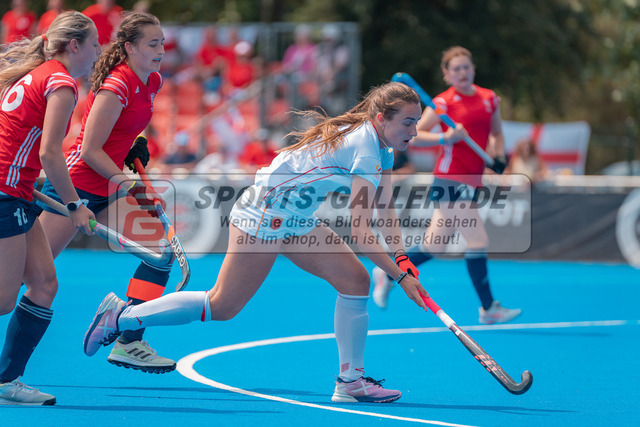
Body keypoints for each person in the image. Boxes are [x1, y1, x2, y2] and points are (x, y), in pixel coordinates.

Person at [83, 81, 430, 403]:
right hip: (266, 212)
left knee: (355, 280)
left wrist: (401, 260)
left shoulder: (381, 147)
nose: (414, 132)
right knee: (222, 306)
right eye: (408, 123)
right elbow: (361, 230)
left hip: (296, 217)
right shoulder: (366, 149)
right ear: (381, 118)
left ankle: (350, 381)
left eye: (416, 123)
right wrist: (400, 277)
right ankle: (121, 317)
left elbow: (384, 208)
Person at [37, 12, 176, 374]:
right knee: (26, 272)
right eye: (153, 44)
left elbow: (123, 129)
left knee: (159, 255)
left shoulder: (152, 80)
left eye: (162, 42)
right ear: (129, 48)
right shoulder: (118, 84)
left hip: (108, 185)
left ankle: (128, 338)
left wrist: (135, 145)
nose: (161, 49)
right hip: (77, 185)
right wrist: (130, 183)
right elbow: (89, 150)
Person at [372, 46, 521, 324]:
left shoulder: (490, 99)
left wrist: (498, 157)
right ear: (447, 74)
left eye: (466, 67)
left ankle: (387, 272)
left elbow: (497, 134)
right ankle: (488, 308)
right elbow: (415, 135)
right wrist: (446, 138)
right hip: (450, 178)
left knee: (435, 245)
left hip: (472, 179)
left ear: (473, 69)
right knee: (478, 241)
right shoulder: (443, 103)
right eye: (456, 69)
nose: (462, 73)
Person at [0, 11, 99, 405]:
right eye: (94, 43)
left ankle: (6, 381)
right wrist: (74, 205)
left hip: (17, 191)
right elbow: (50, 154)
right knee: (3, 300)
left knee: (43, 284)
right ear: (74, 45)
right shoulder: (60, 83)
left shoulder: (34, 75)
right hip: (5, 193)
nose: (98, 51)